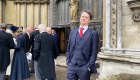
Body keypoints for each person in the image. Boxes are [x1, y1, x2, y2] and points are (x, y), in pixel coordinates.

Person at [66, 10, 99, 80]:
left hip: (84, 67)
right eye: (82, 16)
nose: (84, 18)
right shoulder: (73, 32)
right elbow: (68, 48)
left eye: (86, 17)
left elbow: (94, 52)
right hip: (71, 65)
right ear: (80, 18)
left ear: (89, 20)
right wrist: (68, 62)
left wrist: (89, 66)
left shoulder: (93, 33)